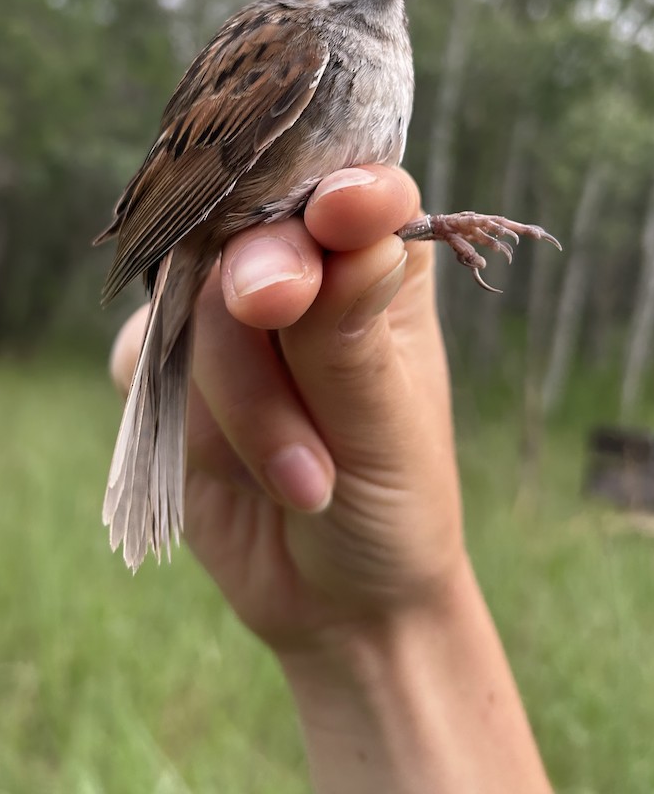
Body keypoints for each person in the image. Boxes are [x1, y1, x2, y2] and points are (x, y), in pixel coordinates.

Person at [110, 165, 553, 793]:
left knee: (334, 234)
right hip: (209, 239)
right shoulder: (303, 58)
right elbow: (206, 172)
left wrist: (396, 614)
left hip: (264, 274)